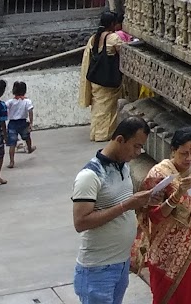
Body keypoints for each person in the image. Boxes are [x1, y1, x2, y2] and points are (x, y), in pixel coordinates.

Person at [133, 125, 191, 304]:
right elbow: (155, 216)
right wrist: (177, 194)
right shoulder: (159, 174)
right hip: (166, 249)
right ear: (173, 150)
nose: (188, 158)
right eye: (183, 153)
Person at [73, 113, 155, 304]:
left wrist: (145, 200)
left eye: (141, 147)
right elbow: (80, 222)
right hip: (97, 269)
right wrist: (126, 205)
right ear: (120, 139)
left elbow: (124, 203)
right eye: (136, 146)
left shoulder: (124, 167)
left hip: (121, 263)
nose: (137, 152)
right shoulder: (90, 176)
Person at [79, 10, 127, 141]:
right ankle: (102, 134)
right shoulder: (113, 38)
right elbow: (123, 51)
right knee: (107, 109)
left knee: (98, 107)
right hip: (107, 79)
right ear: (112, 24)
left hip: (95, 77)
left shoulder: (94, 38)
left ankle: (95, 133)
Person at [6, 79, 35, 164]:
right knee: (27, 137)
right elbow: (30, 112)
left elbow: (4, 108)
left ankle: (11, 161)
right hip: (23, 123)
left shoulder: (10, 102)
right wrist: (31, 122)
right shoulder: (27, 101)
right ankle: (29, 148)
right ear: (25, 91)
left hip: (12, 123)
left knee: (12, 143)